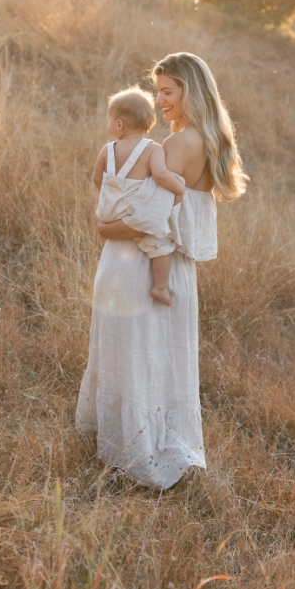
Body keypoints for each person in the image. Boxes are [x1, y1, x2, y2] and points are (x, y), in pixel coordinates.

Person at [74, 52, 246, 489]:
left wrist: (103, 227)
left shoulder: (173, 146)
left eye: (168, 91)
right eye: (158, 91)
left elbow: (145, 221)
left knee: (130, 358)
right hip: (173, 272)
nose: (159, 100)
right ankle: (154, 438)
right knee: (162, 359)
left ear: (192, 91)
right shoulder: (207, 140)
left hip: (136, 264)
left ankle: (131, 449)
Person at [91, 87, 184, 307]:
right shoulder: (152, 149)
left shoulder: (107, 149)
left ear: (119, 124)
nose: (108, 124)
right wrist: (179, 189)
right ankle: (160, 287)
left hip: (108, 212)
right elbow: (161, 175)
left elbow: (97, 180)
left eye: (109, 119)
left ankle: (111, 218)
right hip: (133, 212)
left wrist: (112, 199)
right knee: (161, 243)